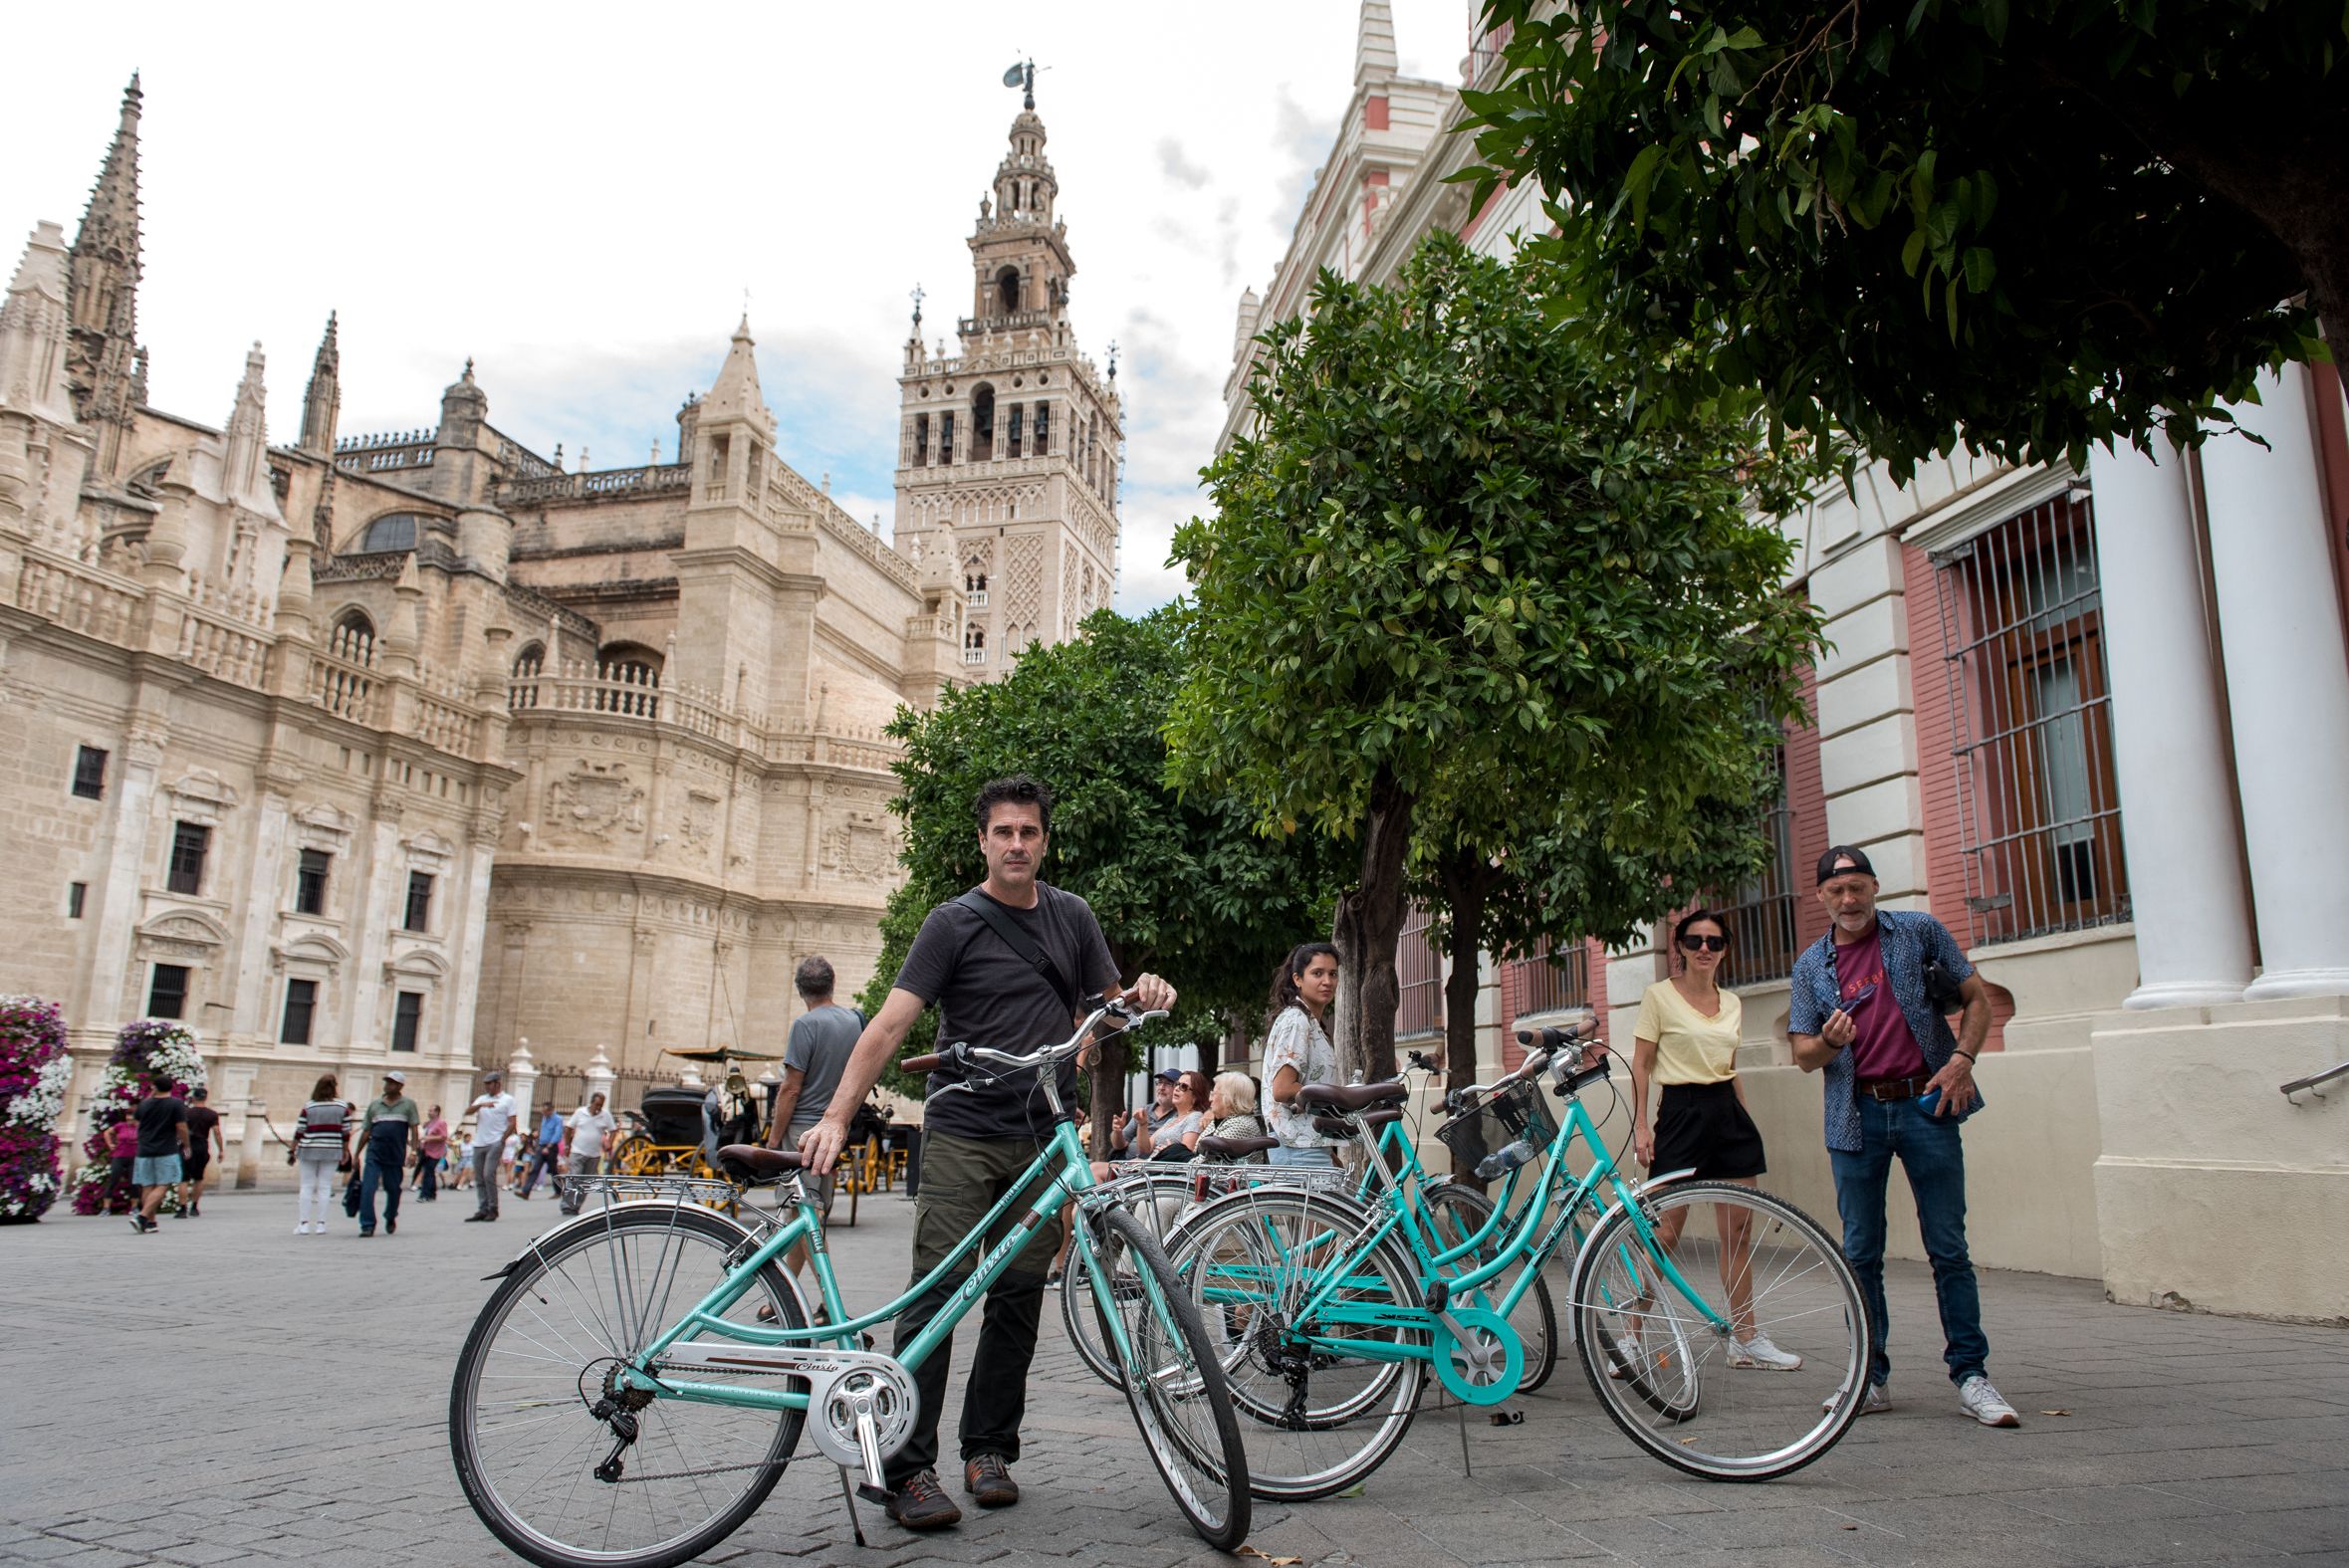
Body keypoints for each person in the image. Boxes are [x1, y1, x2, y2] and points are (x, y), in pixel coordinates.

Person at [795, 775, 1174, 1533]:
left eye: (1028, 832)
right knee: (936, 1292)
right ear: (982, 841)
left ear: (1043, 840)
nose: (1016, 844)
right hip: (964, 1128)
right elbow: (890, 1025)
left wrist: (1140, 996)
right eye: (1002, 832)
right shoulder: (951, 922)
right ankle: (905, 1468)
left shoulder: (1072, 916)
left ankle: (988, 1450)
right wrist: (836, 1116)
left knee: (1015, 1298)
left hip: (1039, 1133)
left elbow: (1103, 1010)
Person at [1789, 845, 2019, 1429]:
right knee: (1860, 1253)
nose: (1849, 900)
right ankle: (1870, 1378)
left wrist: (1963, 1057)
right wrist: (1830, 1042)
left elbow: (1975, 999)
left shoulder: (1919, 931)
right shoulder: (1810, 966)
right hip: (1855, 1114)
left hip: (1928, 1103)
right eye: (1837, 891)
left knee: (1949, 1248)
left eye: (1859, 887)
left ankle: (1972, 1377)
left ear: (1874, 888)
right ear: (1821, 897)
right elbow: (1803, 1055)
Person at [1627, 908, 1798, 1373]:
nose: (1706, 948)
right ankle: (1630, 1337)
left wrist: (1744, 1119)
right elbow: (1641, 1064)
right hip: (1680, 1113)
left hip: (1728, 1112)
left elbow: (1730, 1066)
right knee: (1664, 1232)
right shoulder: (1658, 996)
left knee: (1738, 1231)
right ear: (1680, 947)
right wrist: (1642, 1126)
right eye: (1696, 940)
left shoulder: (1733, 1003)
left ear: (1724, 950)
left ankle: (1745, 1338)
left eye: (1715, 942)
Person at [763, 957, 867, 1269]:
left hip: (802, 1133)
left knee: (802, 1213)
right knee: (806, 1212)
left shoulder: (804, 1025)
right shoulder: (854, 1021)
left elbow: (791, 1089)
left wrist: (773, 1139)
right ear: (832, 984)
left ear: (800, 991)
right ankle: (786, 1292)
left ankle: (826, 1302)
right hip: (835, 1131)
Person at [1263, 942, 1342, 1169]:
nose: (1327, 981)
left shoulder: (1308, 1021)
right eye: (1317, 973)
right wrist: (1340, 1098)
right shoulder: (1297, 1020)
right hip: (1295, 1148)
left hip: (1306, 1144)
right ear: (1298, 979)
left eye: (1332, 974)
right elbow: (1283, 1089)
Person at [356, 1070, 420, 1237]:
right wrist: (356, 1154)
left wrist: (414, 1151)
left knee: (393, 1189)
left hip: (395, 1154)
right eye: (387, 1082)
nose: (388, 1086)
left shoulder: (408, 1105)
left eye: (392, 1083)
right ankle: (367, 1224)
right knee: (368, 1188)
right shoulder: (375, 1105)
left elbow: (414, 1129)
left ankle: (390, 1215)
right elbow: (366, 1130)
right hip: (374, 1153)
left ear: (400, 1086)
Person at [290, 1076, 349, 1235]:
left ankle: (303, 1224)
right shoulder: (342, 1106)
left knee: (306, 1186)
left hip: (309, 1149)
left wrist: (292, 1149)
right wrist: (345, 1151)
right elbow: (346, 1132)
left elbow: (300, 1130)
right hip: (332, 1149)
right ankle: (321, 1224)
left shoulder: (309, 1106)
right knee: (325, 1187)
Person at [128, 1076, 187, 1233]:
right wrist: (186, 1144)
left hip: (144, 1150)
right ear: (171, 1087)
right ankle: (142, 1216)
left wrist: (150, 1096)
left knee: (148, 1185)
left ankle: (150, 1222)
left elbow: (136, 1121)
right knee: (162, 1184)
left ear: (154, 1087)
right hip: (166, 1149)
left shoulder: (145, 1104)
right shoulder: (176, 1104)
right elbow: (181, 1126)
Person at [464, 1070, 516, 1223]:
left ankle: (493, 1208)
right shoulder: (482, 1099)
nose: (487, 1087)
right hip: (479, 1142)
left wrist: (503, 1139)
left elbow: (512, 1122)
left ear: (497, 1084)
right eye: (485, 1084)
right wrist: (481, 1105)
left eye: (489, 1084)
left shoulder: (508, 1100)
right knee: (479, 1177)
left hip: (495, 1141)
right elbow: (467, 1112)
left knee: (488, 1174)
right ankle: (482, 1208)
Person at [560, 1092, 616, 1216]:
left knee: (585, 1181)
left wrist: (609, 1143)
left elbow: (613, 1130)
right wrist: (567, 1145)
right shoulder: (580, 1112)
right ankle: (567, 1205)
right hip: (578, 1151)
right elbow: (569, 1128)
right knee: (574, 1177)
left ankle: (576, 1205)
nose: (598, 1108)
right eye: (597, 1105)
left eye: (601, 1105)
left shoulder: (605, 1115)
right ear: (591, 1103)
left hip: (594, 1154)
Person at [1105, 1068, 1180, 1160]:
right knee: (1092, 1168)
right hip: (1125, 1161)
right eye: (1160, 1082)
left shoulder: (1179, 1116)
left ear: (1178, 1089)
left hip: (1150, 1165)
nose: (1161, 1087)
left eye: (1168, 1084)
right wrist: (1118, 1131)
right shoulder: (1145, 1110)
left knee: (1093, 1168)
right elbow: (1119, 1145)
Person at [1195, 1072, 1269, 1163]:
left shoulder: (1240, 1124)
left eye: (1214, 1094)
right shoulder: (1220, 1120)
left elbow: (1205, 1163)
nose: (1210, 1099)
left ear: (1228, 1098)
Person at [1133, 1070, 1207, 1160]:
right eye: (1177, 1084)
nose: (1176, 1088)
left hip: (1162, 1170)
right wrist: (1142, 1124)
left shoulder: (1195, 1117)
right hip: (1152, 1166)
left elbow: (1186, 1157)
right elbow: (1145, 1148)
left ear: (1195, 1096)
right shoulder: (1173, 1119)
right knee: (1112, 1165)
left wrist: (1169, 1152)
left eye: (1183, 1086)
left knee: (1113, 1166)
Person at [174, 1084, 223, 1218]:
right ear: (206, 1098)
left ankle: (182, 1208)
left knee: (183, 1178)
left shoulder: (186, 1112)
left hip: (187, 1146)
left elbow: (179, 1129)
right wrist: (221, 1150)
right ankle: (195, 1207)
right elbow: (217, 1132)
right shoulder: (212, 1114)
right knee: (199, 1177)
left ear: (193, 1098)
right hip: (202, 1145)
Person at [519, 1101, 565, 1200]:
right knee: (535, 1168)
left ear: (551, 1110)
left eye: (545, 1111)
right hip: (541, 1145)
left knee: (553, 1171)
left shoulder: (558, 1119)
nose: (543, 1113)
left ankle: (559, 1190)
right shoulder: (544, 1118)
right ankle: (525, 1191)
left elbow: (558, 1134)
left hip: (551, 1146)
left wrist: (549, 1146)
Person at [106, 1113, 138, 1214]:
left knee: (134, 1183)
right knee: (113, 1180)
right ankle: (106, 1208)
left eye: (131, 1117)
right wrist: (110, 1144)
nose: (129, 1119)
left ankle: (134, 1207)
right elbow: (107, 1133)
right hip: (119, 1156)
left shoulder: (140, 1127)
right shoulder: (120, 1126)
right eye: (127, 1117)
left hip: (134, 1157)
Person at [414, 1105, 448, 1201]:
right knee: (430, 1172)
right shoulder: (430, 1123)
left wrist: (428, 1138)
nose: (429, 1112)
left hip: (435, 1152)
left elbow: (443, 1136)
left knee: (428, 1172)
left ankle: (424, 1195)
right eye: (429, 1111)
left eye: (431, 1111)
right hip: (426, 1150)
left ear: (437, 1112)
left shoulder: (441, 1123)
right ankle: (432, 1194)